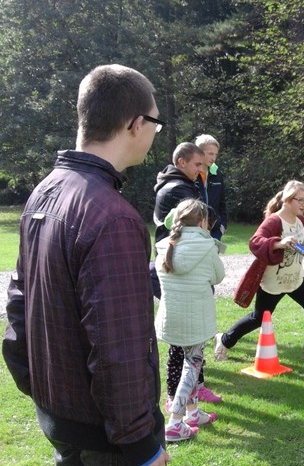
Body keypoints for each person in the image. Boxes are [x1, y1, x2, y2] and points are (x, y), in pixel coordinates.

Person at [2, 65, 169, 465]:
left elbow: (18, 303)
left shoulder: (45, 190)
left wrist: (38, 387)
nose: (153, 133)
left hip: (63, 418)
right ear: (136, 124)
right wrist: (142, 448)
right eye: (155, 124)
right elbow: (118, 349)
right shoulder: (113, 218)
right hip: (107, 441)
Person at [216, 181, 304, 362]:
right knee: (258, 319)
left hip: (296, 279)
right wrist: (279, 243)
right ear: (287, 199)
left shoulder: (300, 220)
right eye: (299, 200)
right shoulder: (274, 221)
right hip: (274, 282)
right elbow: (255, 242)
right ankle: (224, 340)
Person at [153, 141, 222, 406]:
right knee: (186, 351)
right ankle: (179, 403)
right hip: (189, 286)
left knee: (185, 350)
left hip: (179, 291)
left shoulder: (182, 185)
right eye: (197, 164)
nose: (201, 169)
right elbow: (208, 213)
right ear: (181, 162)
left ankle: (189, 395)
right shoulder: (177, 189)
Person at [155, 199, 225, 442]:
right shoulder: (207, 246)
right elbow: (218, 276)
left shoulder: (164, 245)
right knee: (191, 367)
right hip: (196, 319)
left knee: (189, 365)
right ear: (203, 221)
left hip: (172, 318)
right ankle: (175, 423)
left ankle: (192, 413)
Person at [194, 134, 228, 241]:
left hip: (215, 232)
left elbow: (222, 204)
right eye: (210, 154)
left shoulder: (217, 174)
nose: (213, 158)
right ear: (199, 152)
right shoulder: (191, 174)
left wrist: (221, 227)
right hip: (194, 231)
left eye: (216, 154)